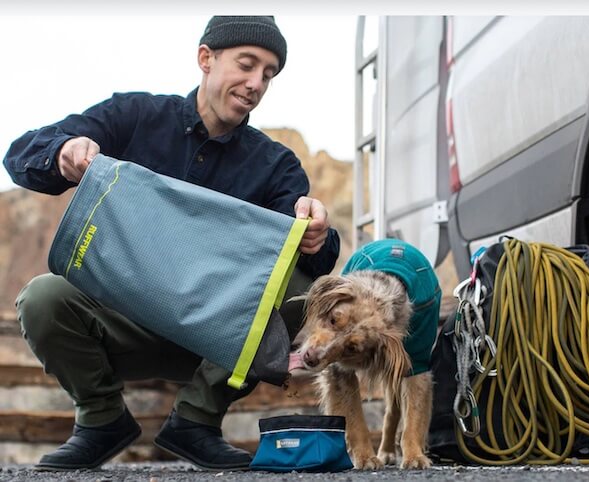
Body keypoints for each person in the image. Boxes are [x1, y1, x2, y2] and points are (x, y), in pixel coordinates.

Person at [3, 16, 340, 471]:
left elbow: (310, 255)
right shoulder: (134, 117)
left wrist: (318, 232)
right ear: (206, 58)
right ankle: (101, 420)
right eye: (247, 64)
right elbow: (22, 153)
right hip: (122, 326)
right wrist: (63, 152)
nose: (256, 83)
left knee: (299, 285)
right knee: (42, 297)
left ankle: (196, 422)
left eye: (269, 74)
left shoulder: (275, 165)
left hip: (216, 341)